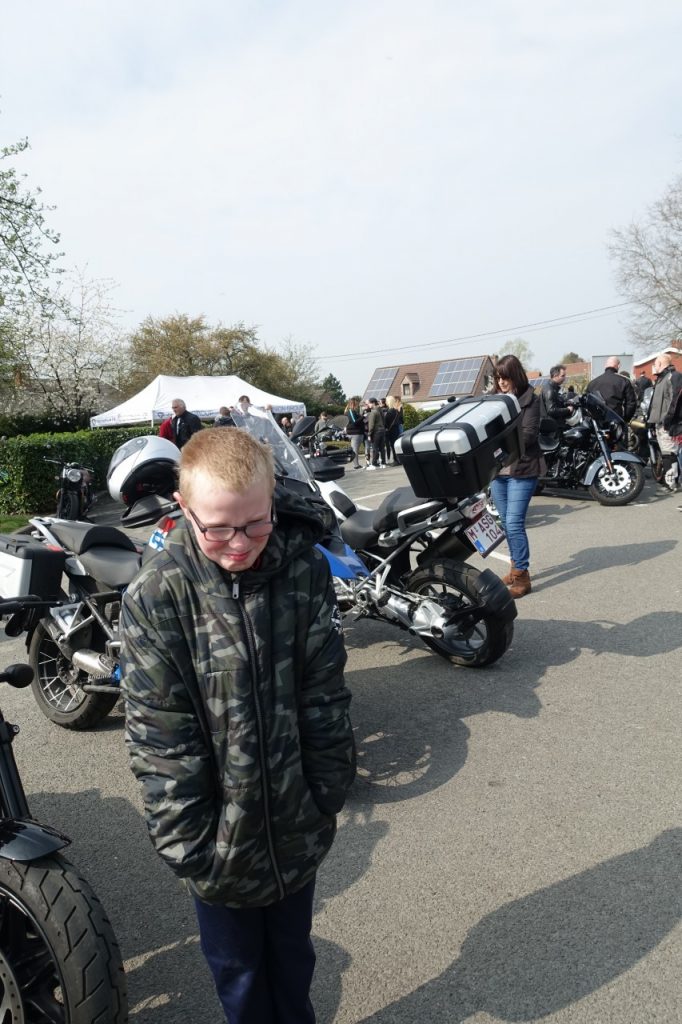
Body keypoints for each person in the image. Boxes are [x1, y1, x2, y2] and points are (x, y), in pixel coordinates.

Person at [120, 428, 356, 1024]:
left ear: (273, 499)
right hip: (214, 842)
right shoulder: (157, 595)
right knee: (239, 974)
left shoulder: (304, 573)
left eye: (255, 523)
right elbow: (159, 731)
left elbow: (323, 691)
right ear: (183, 508)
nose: (238, 543)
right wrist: (187, 841)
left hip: (296, 822)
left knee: (293, 959)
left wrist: (327, 788)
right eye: (217, 527)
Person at [489, 354, 543, 599]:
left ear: (516, 376)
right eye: (498, 377)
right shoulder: (492, 401)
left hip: (522, 470)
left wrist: (497, 439)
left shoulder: (530, 398)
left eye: (505, 377)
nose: (501, 382)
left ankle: (522, 576)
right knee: (505, 522)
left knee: (513, 523)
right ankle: (514, 567)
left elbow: (529, 435)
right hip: (497, 473)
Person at [648, 353, 682, 491]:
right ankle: (670, 481)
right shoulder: (661, 379)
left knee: (670, 453)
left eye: (655, 363)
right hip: (660, 423)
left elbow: (675, 400)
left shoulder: (673, 376)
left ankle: (672, 483)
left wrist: (667, 420)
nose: (654, 367)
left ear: (661, 364)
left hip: (670, 424)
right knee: (666, 453)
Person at [585, 357, 637, 422]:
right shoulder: (624, 381)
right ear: (618, 366)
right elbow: (631, 403)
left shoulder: (592, 383)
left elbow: (586, 403)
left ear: (605, 366)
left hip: (596, 424)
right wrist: (625, 419)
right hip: (616, 423)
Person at [539, 365, 577, 430]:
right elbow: (551, 410)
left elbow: (555, 402)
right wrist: (568, 409)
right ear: (555, 376)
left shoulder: (552, 388)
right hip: (551, 428)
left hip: (552, 425)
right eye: (562, 376)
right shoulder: (550, 390)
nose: (565, 378)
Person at [344, 398, 365, 469]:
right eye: (357, 405)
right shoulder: (350, 412)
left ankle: (356, 464)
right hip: (354, 433)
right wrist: (363, 417)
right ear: (353, 404)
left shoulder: (354, 412)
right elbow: (354, 422)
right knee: (355, 450)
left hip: (357, 432)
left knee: (356, 449)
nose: (358, 406)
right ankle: (356, 465)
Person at [366, 398, 386, 469]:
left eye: (369, 403)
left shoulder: (373, 412)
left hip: (376, 432)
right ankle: (383, 463)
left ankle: (374, 464)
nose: (368, 405)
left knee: (375, 448)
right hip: (382, 431)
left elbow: (371, 425)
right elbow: (384, 421)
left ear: (373, 403)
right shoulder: (380, 410)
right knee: (382, 448)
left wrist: (369, 434)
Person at [383, 397, 401, 465]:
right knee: (395, 445)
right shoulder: (396, 411)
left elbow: (385, 423)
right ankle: (398, 460)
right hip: (396, 430)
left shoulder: (389, 412)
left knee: (393, 446)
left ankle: (396, 460)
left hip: (391, 431)